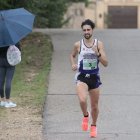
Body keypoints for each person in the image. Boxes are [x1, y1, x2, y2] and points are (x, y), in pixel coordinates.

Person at [70, 19, 108, 138]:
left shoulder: (99, 44)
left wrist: (97, 54)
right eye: (84, 30)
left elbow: (105, 63)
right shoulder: (78, 44)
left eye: (88, 29)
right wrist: (73, 64)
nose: (86, 31)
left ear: (92, 30)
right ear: (82, 31)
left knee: (95, 106)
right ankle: (86, 115)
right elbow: (72, 55)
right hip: (82, 76)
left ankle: (94, 125)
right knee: (82, 100)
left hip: (94, 77)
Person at [0, 43, 21, 108]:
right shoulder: (12, 39)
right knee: (8, 80)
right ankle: (8, 101)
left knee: (1, 80)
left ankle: (2, 101)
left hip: (0, 61)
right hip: (10, 61)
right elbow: (19, 50)